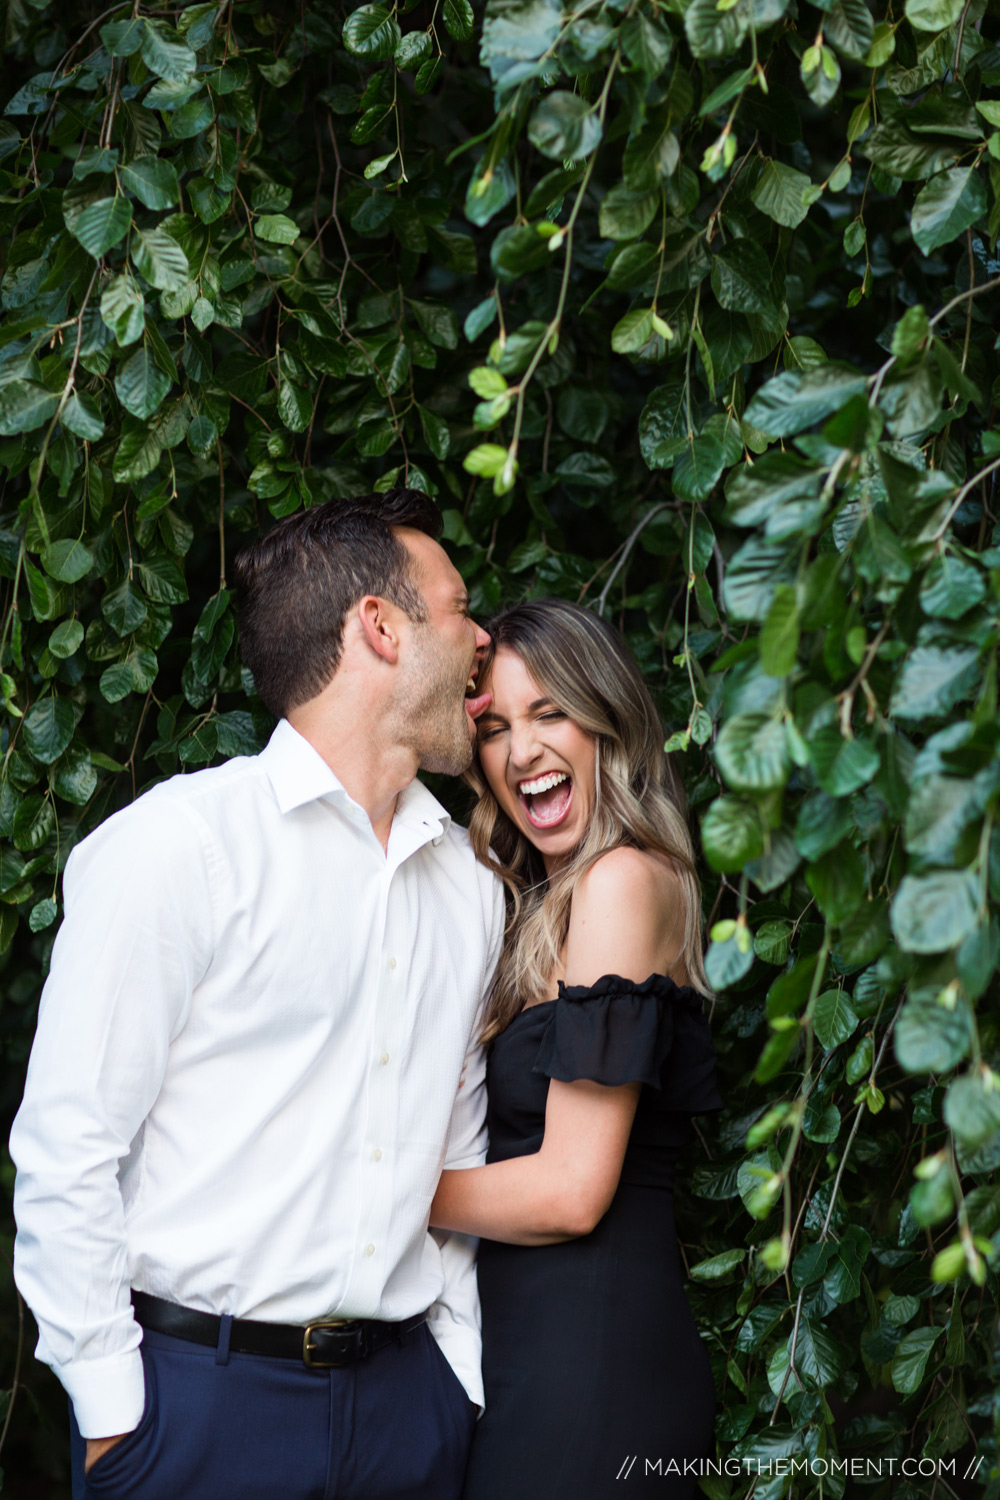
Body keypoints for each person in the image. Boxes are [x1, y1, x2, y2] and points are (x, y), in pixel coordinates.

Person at [10, 489, 505, 1500]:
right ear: (379, 626)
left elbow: (455, 1154)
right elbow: (69, 1150)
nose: (482, 642)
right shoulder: (179, 848)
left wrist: (456, 1381)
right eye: (458, 611)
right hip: (197, 1412)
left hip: (409, 1417)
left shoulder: (467, 883)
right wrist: (117, 1424)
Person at [429, 597, 724, 1499]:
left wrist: (366, 1191)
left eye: (551, 712)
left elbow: (569, 1191)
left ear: (609, 721)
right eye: (495, 726)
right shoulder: (538, 901)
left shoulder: (623, 880)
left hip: (592, 1372)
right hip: (532, 1358)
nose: (522, 753)